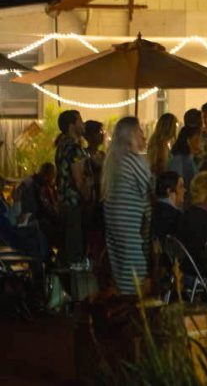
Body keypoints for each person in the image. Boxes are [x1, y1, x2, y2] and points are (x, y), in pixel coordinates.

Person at [102, 117, 151, 295]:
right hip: (129, 227)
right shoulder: (133, 161)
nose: (144, 136)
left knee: (121, 269)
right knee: (134, 273)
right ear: (130, 135)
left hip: (115, 226)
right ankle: (132, 314)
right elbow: (149, 189)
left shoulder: (114, 162)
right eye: (140, 132)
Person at [54, 109, 90, 265]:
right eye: (80, 121)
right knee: (74, 247)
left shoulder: (62, 146)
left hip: (64, 202)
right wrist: (87, 196)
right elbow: (78, 177)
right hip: (74, 203)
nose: (83, 125)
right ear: (71, 125)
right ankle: (75, 284)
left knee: (67, 244)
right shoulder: (73, 148)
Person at [83, 120, 106, 260]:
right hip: (91, 201)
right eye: (99, 132)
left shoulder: (102, 155)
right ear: (90, 136)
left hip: (103, 199)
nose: (102, 135)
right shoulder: (84, 155)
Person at [168, 126, 201, 205]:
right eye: (197, 139)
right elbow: (175, 185)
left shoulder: (190, 158)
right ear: (188, 141)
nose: (200, 142)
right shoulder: (179, 160)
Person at [152, 171, 185, 241]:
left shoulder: (153, 210)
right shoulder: (176, 217)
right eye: (181, 186)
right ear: (169, 191)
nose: (184, 190)